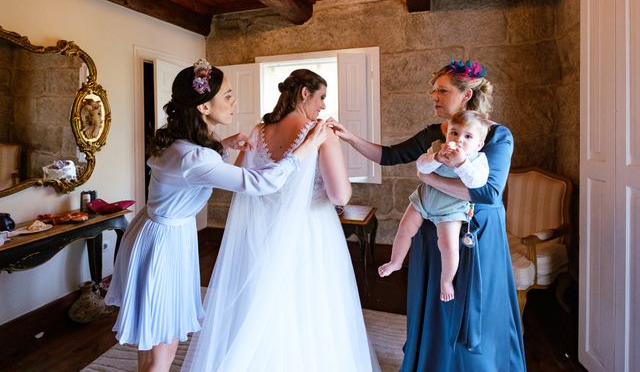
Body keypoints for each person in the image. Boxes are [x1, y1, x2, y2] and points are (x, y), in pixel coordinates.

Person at [104, 59, 327, 372]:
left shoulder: (177, 144)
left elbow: (190, 167)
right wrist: (306, 148)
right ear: (204, 107)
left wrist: (223, 146)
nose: (234, 102)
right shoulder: (195, 156)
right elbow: (259, 183)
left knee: (154, 336)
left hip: (154, 232)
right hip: (164, 246)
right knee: (163, 346)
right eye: (228, 96)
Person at [329, 59, 526, 371]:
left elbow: (488, 193)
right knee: (438, 303)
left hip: (478, 232)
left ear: (466, 95)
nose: (433, 96)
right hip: (433, 228)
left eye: (441, 90)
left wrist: (431, 180)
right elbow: (390, 155)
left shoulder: (496, 135)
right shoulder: (433, 134)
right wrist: (349, 137)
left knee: (474, 304)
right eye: (433, 90)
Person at [183, 69, 380, 372]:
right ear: (304, 93)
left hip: (264, 232)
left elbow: (243, 179)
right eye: (321, 97)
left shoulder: (260, 130)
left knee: (264, 300)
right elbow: (340, 196)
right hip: (311, 231)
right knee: (310, 304)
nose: (323, 106)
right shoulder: (319, 133)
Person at [378, 110, 490, 303]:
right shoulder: (438, 148)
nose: (459, 140)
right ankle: (396, 261)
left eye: (468, 136)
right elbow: (421, 167)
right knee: (405, 228)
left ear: (478, 145)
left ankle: (446, 281)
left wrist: (461, 163)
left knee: (448, 245)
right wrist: (436, 158)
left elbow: (476, 183)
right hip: (424, 199)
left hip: (451, 209)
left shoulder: (478, 160)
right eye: (454, 133)